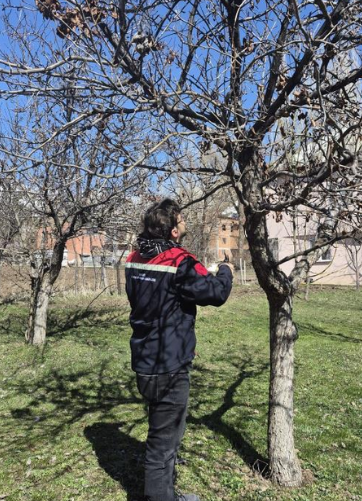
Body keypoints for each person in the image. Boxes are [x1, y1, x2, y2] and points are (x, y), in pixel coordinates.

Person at [125, 199, 233, 501]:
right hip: (168, 367)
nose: (185, 223)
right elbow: (215, 293)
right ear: (173, 230)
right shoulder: (179, 261)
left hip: (145, 360)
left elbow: (149, 300)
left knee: (163, 432)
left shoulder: (134, 258)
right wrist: (225, 270)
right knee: (162, 445)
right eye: (182, 220)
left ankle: (166, 488)